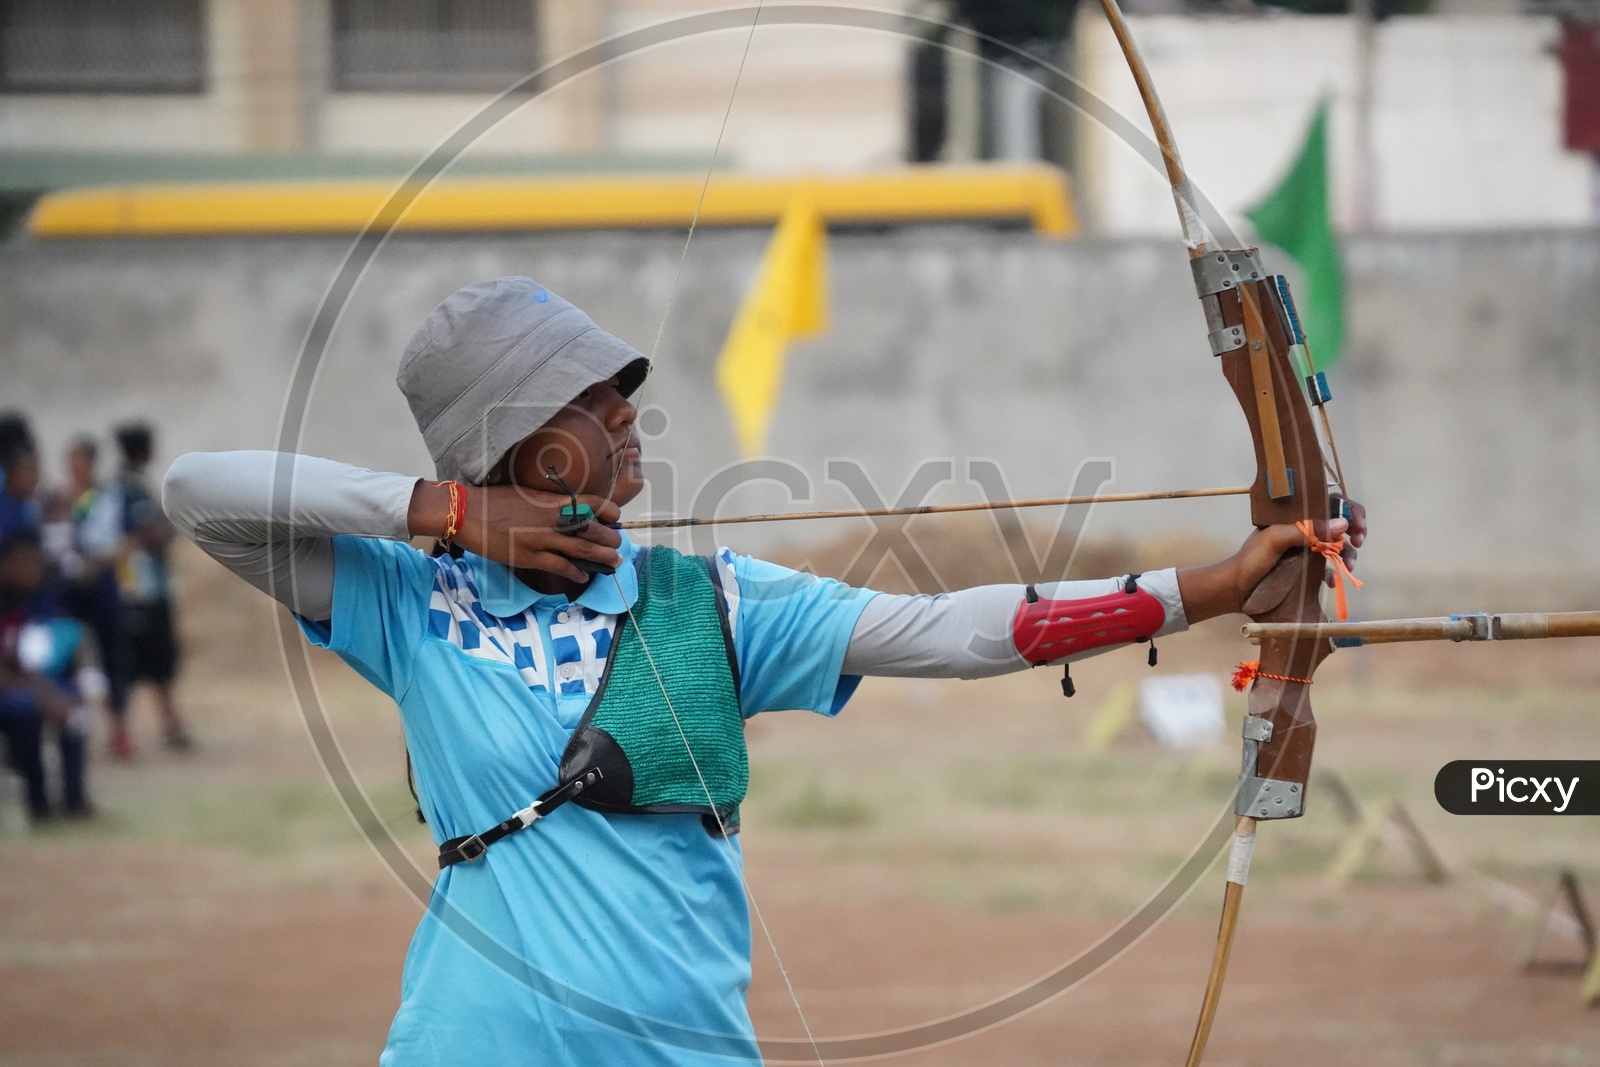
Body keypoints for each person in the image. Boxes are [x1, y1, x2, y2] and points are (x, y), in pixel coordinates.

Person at [162, 277, 1364, 1066]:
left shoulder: (712, 602)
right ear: (516, 440)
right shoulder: (408, 598)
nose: (632, 419)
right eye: (594, 401)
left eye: (626, 395)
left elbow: (949, 632)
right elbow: (199, 494)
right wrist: (447, 514)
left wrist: (1201, 590)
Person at [0, 529, 100, 820]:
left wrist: (54, 697)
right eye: (27, 563)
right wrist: (43, 699)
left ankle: (74, 801)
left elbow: (16, 664)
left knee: (70, 702)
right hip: (10, 697)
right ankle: (39, 804)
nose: (35, 571)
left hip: (14, 686)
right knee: (25, 711)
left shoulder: (19, 605)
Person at [113, 423, 190, 751]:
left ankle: (142, 729)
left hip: (139, 590)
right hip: (143, 590)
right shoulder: (131, 490)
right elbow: (148, 535)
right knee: (150, 661)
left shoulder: (125, 486)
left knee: (142, 663)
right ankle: (157, 728)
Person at [59, 437, 132, 757]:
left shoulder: (108, 496)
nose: (76, 467)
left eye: (81, 460)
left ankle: (119, 730)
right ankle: (72, 728)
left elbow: (125, 537)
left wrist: (102, 561)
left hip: (103, 587)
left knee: (111, 660)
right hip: (69, 592)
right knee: (68, 659)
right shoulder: (59, 500)